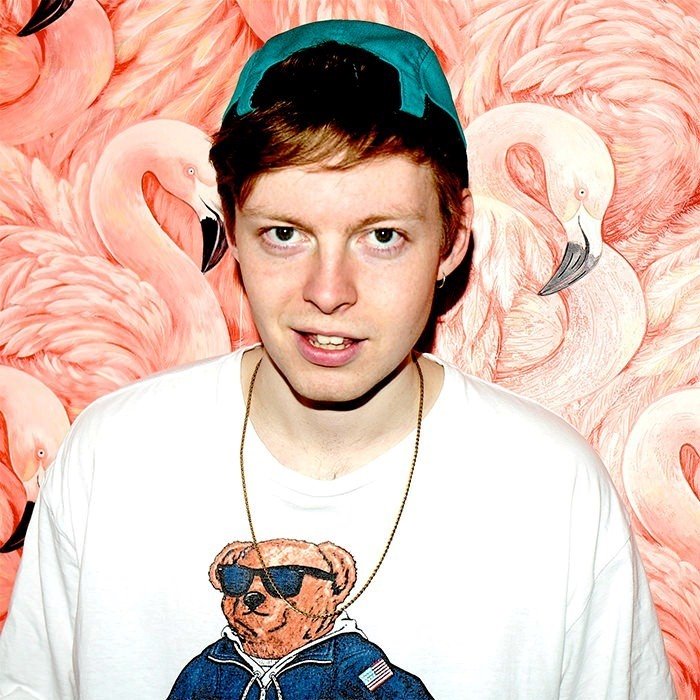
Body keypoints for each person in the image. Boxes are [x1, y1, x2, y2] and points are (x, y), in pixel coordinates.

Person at [0, 19, 675, 700]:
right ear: (232, 230)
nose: (328, 292)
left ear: (452, 241)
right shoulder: (110, 459)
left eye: (382, 237)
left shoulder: (552, 491)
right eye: (284, 234)